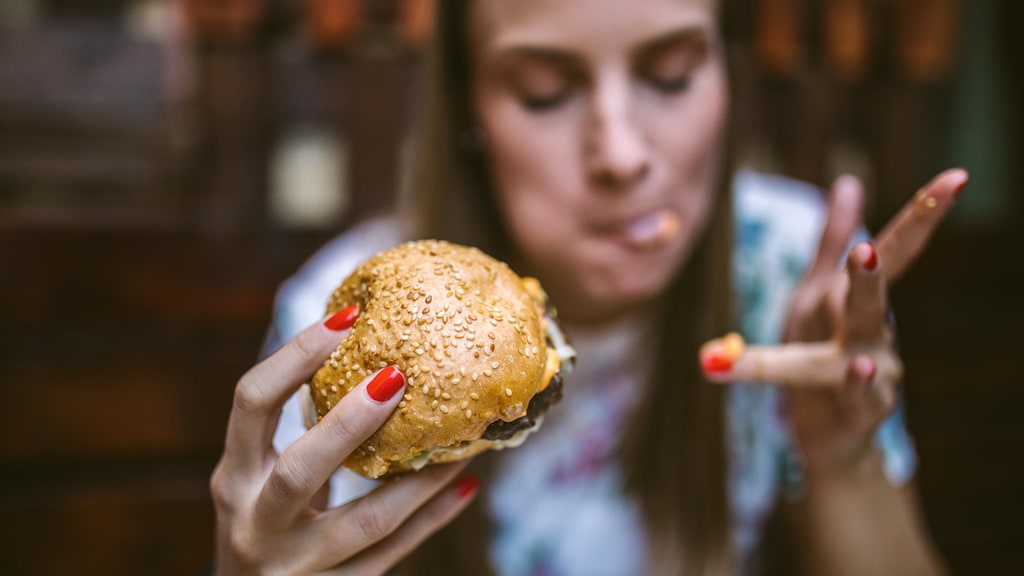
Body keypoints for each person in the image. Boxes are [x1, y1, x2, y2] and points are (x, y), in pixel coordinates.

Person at [210, 0, 962, 574]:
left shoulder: (796, 271)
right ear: (470, 109)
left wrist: (844, 461)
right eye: (545, 92)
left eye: (671, 76)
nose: (623, 154)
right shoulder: (343, 327)